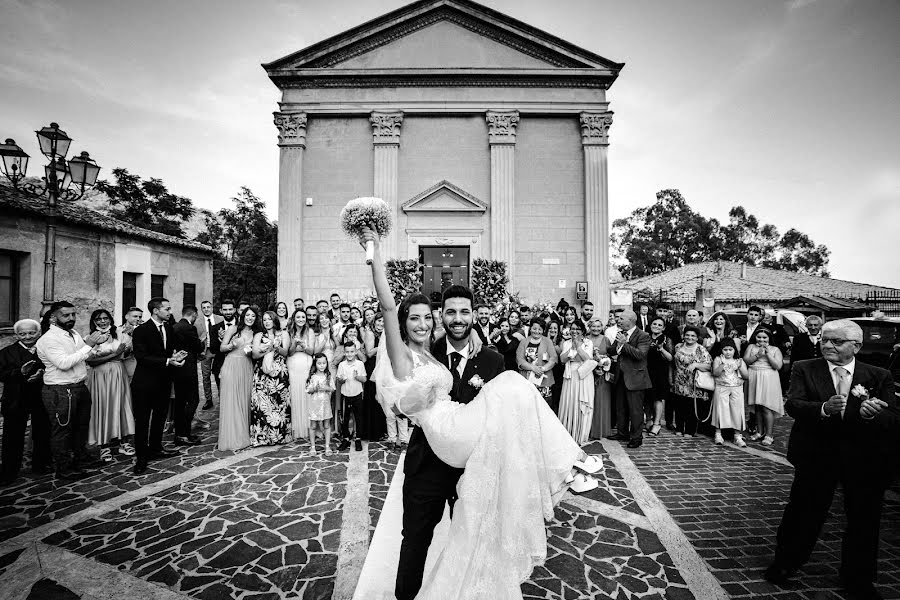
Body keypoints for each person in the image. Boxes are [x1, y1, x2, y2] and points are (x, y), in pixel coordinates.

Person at [358, 229, 600, 600]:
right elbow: (389, 310)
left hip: (475, 463)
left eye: (461, 313)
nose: (425, 324)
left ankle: (465, 591)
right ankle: (567, 464)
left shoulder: (487, 356)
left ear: (473, 316)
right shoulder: (416, 353)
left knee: (474, 537)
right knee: (415, 539)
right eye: (421, 318)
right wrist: (373, 256)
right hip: (432, 456)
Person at [765, 320, 898, 599]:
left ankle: (858, 578)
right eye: (825, 340)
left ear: (856, 346)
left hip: (864, 459)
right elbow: (793, 404)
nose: (827, 345)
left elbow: (892, 417)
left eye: (837, 341)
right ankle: (786, 563)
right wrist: (823, 408)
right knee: (803, 512)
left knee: (864, 518)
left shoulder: (878, 375)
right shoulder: (805, 368)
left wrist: (874, 414)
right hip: (817, 454)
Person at [130, 298, 185, 474]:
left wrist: (177, 357)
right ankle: (141, 457)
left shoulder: (168, 328)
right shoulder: (141, 331)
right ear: (155, 311)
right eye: (167, 309)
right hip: (144, 383)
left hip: (163, 381)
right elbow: (142, 357)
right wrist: (168, 361)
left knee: (160, 417)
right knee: (143, 421)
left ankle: (156, 448)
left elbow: (169, 351)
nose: (170, 311)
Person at [0, 319, 51, 485]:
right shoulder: (7, 352)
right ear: (16, 335)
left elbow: (54, 366)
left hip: (40, 396)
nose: (27, 336)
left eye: (31, 333)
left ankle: (40, 465)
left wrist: (42, 373)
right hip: (15, 398)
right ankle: (9, 470)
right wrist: (19, 372)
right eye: (22, 334)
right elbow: (2, 374)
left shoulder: (45, 349)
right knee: (12, 435)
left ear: (38, 333)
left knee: (42, 432)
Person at [85, 308, 134, 462]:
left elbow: (127, 352)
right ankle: (103, 446)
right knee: (102, 408)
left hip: (119, 373)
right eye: (99, 319)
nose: (103, 321)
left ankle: (123, 442)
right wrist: (114, 354)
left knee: (121, 406)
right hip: (99, 376)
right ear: (94, 322)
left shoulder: (119, 334)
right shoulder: (90, 338)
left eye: (105, 318)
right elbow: (90, 361)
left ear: (110, 320)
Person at [606, 310, 653, 448]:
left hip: (636, 378)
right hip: (620, 376)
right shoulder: (621, 334)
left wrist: (624, 344)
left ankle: (636, 437)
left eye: (621, 318)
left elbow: (640, 355)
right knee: (621, 407)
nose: (618, 321)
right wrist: (614, 346)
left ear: (631, 320)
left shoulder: (643, 336)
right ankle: (622, 432)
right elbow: (613, 350)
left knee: (635, 410)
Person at [217, 305, 259, 451]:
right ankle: (233, 437)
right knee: (232, 400)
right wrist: (233, 344)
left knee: (244, 399)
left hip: (246, 365)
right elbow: (222, 348)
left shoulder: (256, 333)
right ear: (243, 315)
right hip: (232, 364)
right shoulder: (233, 329)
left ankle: (244, 434)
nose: (250, 318)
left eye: (253, 316)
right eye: (248, 315)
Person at [249, 310, 291, 446]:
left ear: (274, 320)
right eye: (265, 319)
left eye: (269, 319)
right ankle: (263, 438)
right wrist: (268, 349)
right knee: (262, 407)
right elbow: (255, 355)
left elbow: (286, 352)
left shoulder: (283, 334)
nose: (267, 322)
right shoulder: (259, 335)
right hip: (262, 376)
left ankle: (280, 436)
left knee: (280, 405)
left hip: (279, 376)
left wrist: (276, 347)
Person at [669, 326, 713, 438]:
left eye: (693, 336)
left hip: (693, 383)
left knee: (691, 408)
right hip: (679, 381)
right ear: (683, 336)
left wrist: (696, 365)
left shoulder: (701, 349)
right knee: (679, 406)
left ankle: (689, 430)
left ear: (697, 337)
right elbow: (673, 364)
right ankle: (679, 428)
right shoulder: (678, 347)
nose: (690, 337)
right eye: (687, 335)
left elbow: (709, 366)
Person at [171, 305, 205, 448]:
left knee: (179, 402)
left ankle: (179, 433)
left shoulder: (174, 327)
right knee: (193, 400)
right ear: (194, 314)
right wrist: (202, 340)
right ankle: (184, 433)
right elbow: (198, 347)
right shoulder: (189, 328)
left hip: (176, 369)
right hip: (188, 369)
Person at [558, 320, 596, 444]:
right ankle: (568, 434)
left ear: (582, 330)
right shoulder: (566, 343)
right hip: (570, 376)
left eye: (577, 329)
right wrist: (571, 350)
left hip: (583, 376)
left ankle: (581, 435)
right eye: (572, 328)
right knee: (570, 402)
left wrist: (578, 348)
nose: (574, 331)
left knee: (581, 402)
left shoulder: (588, 342)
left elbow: (587, 358)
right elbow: (562, 359)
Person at [745, 328, 784, 446]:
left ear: (769, 338)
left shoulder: (775, 349)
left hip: (768, 377)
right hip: (754, 375)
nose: (761, 340)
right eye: (759, 337)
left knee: (766, 407)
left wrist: (767, 354)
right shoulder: (751, 347)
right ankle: (759, 431)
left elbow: (778, 366)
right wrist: (757, 355)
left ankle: (769, 434)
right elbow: (746, 361)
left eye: (764, 337)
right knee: (757, 406)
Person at [711, 338, 748, 447]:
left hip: (736, 387)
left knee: (737, 410)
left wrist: (740, 367)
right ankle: (718, 434)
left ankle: (737, 435)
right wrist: (722, 366)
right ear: (721, 350)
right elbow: (715, 373)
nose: (728, 352)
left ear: (734, 350)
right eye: (725, 349)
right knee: (720, 409)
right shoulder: (718, 359)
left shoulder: (739, 361)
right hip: (722, 387)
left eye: (730, 349)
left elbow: (746, 376)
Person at [287, 309, 316, 441]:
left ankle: (308, 427)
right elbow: (290, 352)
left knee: (306, 395)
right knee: (295, 393)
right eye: (298, 317)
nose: (301, 319)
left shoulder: (309, 332)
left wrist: (303, 345)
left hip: (306, 365)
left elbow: (311, 351)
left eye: (303, 317)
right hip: (293, 365)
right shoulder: (289, 331)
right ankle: (296, 427)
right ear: (294, 318)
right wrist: (294, 344)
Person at [516, 318, 558, 409]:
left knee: (544, 408)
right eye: (534, 328)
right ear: (530, 328)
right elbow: (520, 359)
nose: (537, 331)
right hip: (527, 380)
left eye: (540, 329)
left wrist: (542, 369)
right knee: (528, 407)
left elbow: (553, 358)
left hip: (544, 380)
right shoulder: (523, 342)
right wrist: (533, 368)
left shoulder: (548, 341)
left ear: (543, 330)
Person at [362, 313, 390, 443]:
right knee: (373, 397)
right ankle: (372, 431)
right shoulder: (370, 333)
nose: (381, 324)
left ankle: (382, 430)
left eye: (384, 322)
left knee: (382, 398)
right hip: (372, 366)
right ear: (374, 322)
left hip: (383, 367)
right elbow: (369, 352)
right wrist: (383, 346)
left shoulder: (385, 334)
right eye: (379, 321)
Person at [645, 317, 673, 437]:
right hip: (646, 371)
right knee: (647, 397)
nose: (656, 326)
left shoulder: (667, 340)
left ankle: (657, 423)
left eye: (660, 325)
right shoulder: (645, 337)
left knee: (658, 398)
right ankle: (648, 420)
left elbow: (670, 358)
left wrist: (661, 349)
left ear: (664, 328)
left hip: (660, 372)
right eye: (654, 324)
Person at [337, 340, 367, 452]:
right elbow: (339, 379)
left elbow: (364, 379)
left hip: (357, 394)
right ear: (344, 353)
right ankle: (346, 438)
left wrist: (357, 377)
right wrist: (341, 380)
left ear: (355, 352)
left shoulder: (360, 364)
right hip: (346, 395)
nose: (349, 354)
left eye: (352, 351)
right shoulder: (341, 365)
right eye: (347, 352)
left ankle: (358, 438)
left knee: (358, 417)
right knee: (345, 418)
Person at [195, 301, 222, 411]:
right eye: (204, 308)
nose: (206, 309)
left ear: (212, 308)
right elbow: (196, 338)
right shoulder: (197, 322)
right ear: (201, 310)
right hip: (205, 352)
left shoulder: (220, 319)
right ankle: (208, 400)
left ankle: (222, 398)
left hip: (219, 351)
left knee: (219, 375)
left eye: (208, 307)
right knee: (205, 376)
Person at [306, 353, 334, 455]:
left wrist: (326, 388)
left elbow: (332, 388)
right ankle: (313, 447)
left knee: (327, 425)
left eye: (324, 363)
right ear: (315, 364)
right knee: (313, 425)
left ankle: (327, 446)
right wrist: (314, 388)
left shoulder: (328, 376)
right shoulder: (312, 377)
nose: (322, 365)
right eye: (319, 363)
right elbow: (308, 390)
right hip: (315, 405)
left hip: (325, 404)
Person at [209, 299, 237, 397]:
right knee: (223, 395)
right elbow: (212, 349)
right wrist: (220, 340)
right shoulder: (214, 328)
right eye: (225, 310)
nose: (228, 312)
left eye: (230, 309)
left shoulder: (241, 326)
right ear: (221, 311)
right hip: (220, 365)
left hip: (238, 366)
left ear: (235, 310)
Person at [119, 306, 143, 383]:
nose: (138, 319)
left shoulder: (143, 330)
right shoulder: (118, 330)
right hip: (122, 364)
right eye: (135, 316)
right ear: (126, 317)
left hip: (138, 365)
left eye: (140, 317)